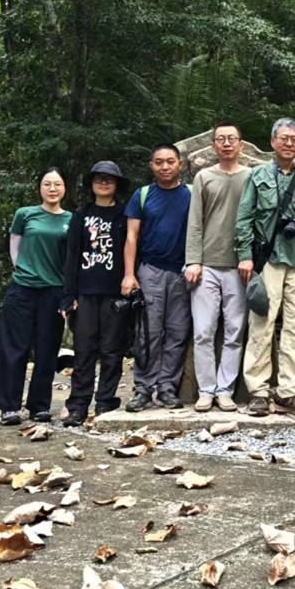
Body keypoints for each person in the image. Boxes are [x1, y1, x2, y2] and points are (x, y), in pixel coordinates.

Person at [235, 117, 295, 418]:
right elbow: (244, 217)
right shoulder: (257, 175)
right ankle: (258, 392)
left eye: (294, 139)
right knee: (262, 325)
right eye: (284, 138)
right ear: (273, 142)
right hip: (267, 260)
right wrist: (244, 255)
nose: (289, 143)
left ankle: (289, 392)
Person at [0, 167, 71, 426]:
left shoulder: (71, 219)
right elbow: (15, 248)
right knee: (13, 348)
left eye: (57, 184)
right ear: (40, 187)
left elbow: (71, 259)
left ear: (64, 188)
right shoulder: (25, 214)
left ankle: (40, 406)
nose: (52, 189)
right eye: (47, 184)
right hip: (23, 289)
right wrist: (25, 271)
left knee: (47, 350)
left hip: (54, 290)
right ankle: (8, 406)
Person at [184, 122, 250, 413]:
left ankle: (225, 390)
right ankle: (206, 390)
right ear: (213, 145)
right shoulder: (203, 177)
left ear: (241, 144)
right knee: (203, 332)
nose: (226, 143)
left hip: (240, 266)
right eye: (220, 139)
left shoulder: (251, 177)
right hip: (207, 265)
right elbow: (195, 221)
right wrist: (193, 260)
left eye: (231, 138)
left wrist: (250, 257)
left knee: (235, 332)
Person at [122, 144, 193, 412]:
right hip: (150, 270)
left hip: (183, 272)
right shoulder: (142, 196)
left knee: (177, 332)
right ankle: (143, 388)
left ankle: (167, 387)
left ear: (180, 164)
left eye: (170, 161)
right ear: (152, 166)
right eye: (159, 162)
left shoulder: (192, 194)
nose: (165, 167)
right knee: (148, 332)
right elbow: (131, 237)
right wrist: (129, 274)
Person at [60, 161, 130, 426]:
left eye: (109, 179)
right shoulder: (81, 215)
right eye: (98, 178)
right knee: (84, 350)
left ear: (117, 184)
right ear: (91, 184)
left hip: (115, 292)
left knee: (112, 350)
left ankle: (105, 401)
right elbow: (71, 256)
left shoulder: (125, 215)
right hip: (85, 292)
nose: (103, 182)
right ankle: (78, 405)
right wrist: (69, 295)